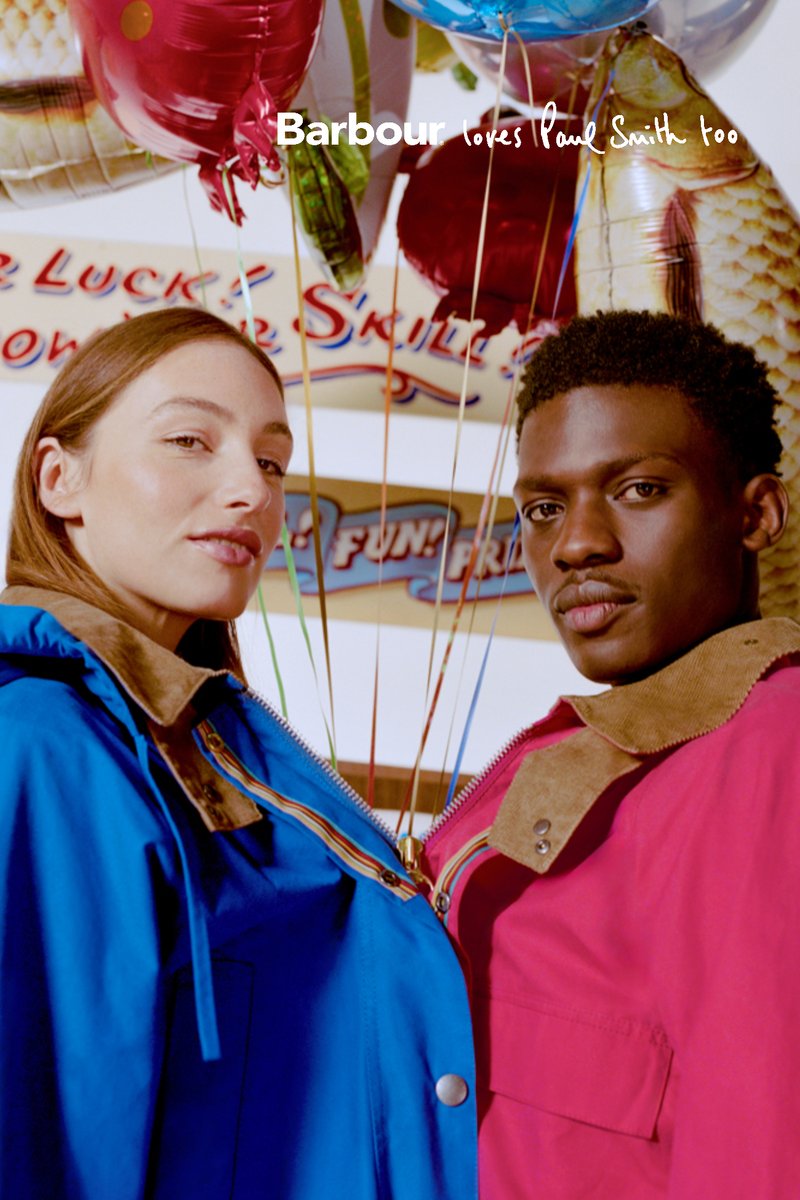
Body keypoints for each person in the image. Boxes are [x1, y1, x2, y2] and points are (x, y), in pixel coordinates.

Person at [0, 307, 477, 1200]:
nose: (251, 493)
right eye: (190, 440)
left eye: (270, 461)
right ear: (60, 479)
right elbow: (38, 1144)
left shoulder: (204, 740)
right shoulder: (42, 745)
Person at [420, 309, 800, 1198]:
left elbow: (762, 1139)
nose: (577, 545)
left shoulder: (770, 746)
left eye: (637, 490)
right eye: (545, 508)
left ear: (755, 514)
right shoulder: (597, 750)